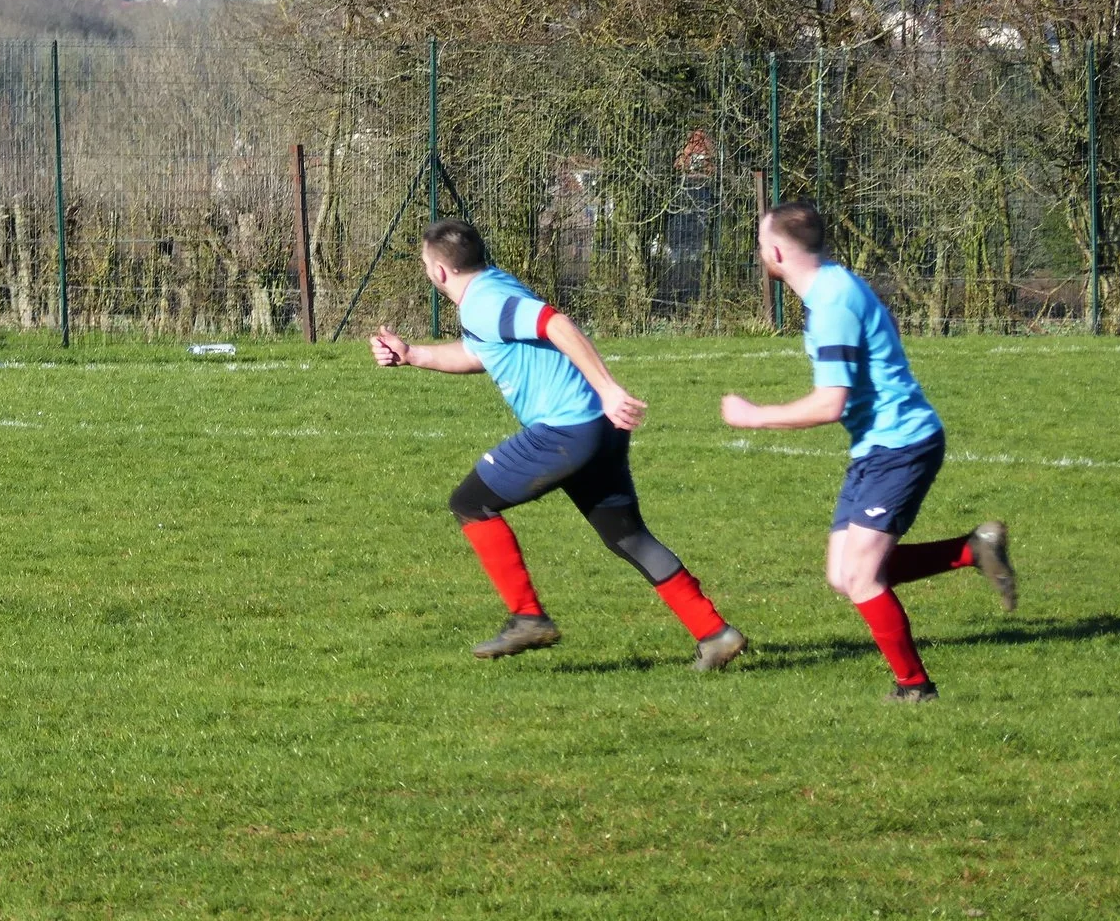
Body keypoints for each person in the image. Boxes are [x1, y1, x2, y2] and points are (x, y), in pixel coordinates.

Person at [370, 218, 744, 668]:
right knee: (627, 536)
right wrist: (413, 355)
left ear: (438, 272)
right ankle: (715, 633)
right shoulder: (491, 288)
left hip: (566, 430)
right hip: (597, 428)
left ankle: (528, 617)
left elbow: (556, 324)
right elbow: (478, 352)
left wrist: (608, 387)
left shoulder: (484, 303)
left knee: (470, 503)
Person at [720, 201, 1016, 702]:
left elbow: (829, 404)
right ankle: (972, 550)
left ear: (774, 251)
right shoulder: (836, 285)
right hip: (878, 445)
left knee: (860, 576)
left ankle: (915, 688)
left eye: (759, 245)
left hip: (901, 444)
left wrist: (755, 415)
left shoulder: (832, 303)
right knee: (843, 574)